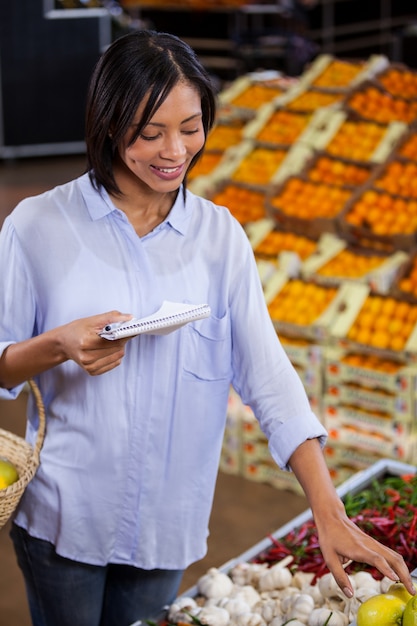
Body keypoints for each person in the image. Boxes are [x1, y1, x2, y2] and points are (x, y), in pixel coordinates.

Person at [0, 30, 414, 626]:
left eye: (190, 127)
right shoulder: (38, 226)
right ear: (108, 123)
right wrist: (57, 344)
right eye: (150, 133)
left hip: (166, 527)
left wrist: (328, 508)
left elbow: (267, 375)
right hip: (66, 517)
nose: (175, 150)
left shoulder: (219, 239)